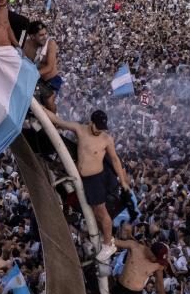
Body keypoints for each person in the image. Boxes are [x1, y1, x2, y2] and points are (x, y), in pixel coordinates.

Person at [44, 108, 130, 260]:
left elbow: (115, 160)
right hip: (82, 178)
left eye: (102, 128)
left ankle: (108, 245)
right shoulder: (80, 129)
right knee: (95, 212)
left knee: (102, 212)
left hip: (96, 179)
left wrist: (123, 180)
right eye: (98, 127)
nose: (99, 131)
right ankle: (105, 238)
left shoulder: (106, 139)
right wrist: (41, 108)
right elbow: (58, 121)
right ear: (91, 122)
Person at [110, 228, 167, 294]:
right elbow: (114, 241)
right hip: (120, 287)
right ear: (151, 250)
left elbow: (160, 283)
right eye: (156, 258)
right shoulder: (134, 247)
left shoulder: (158, 265)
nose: (156, 261)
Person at [22, 21, 60, 110]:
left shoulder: (50, 44)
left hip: (52, 80)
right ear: (32, 36)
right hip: (37, 79)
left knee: (49, 102)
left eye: (46, 33)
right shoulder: (26, 45)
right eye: (41, 35)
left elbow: (49, 67)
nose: (45, 37)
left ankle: (54, 118)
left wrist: (33, 75)